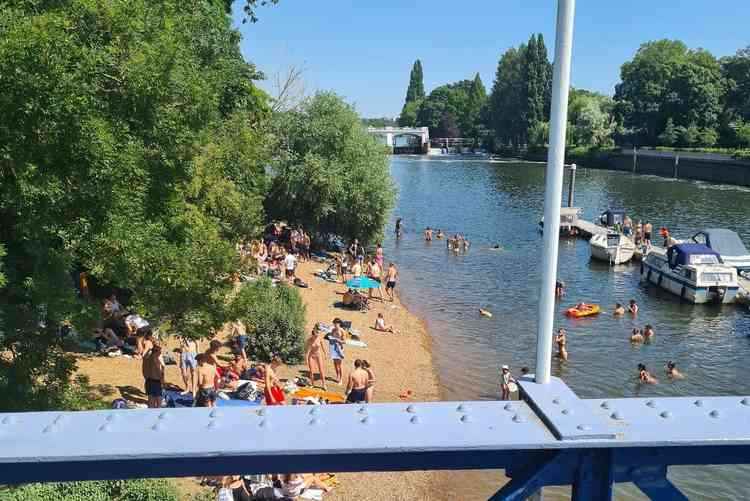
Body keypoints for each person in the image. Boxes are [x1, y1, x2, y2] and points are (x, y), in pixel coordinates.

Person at [305, 324, 328, 390]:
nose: (318, 333)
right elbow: (307, 351)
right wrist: (306, 359)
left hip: (318, 355)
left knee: (321, 370)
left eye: (318, 332)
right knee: (312, 371)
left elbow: (323, 347)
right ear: (313, 332)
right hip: (311, 356)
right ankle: (312, 384)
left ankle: (324, 384)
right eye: (316, 332)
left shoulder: (320, 338)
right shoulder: (310, 340)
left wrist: (325, 354)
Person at [142, 344, 165, 408]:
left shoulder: (146, 359)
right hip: (155, 381)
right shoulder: (155, 360)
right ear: (157, 351)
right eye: (160, 352)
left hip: (148, 381)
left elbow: (143, 371)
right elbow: (159, 372)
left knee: (150, 401)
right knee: (158, 404)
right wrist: (163, 381)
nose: (160, 354)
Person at [328, 319, 346, 384]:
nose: (334, 325)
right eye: (334, 324)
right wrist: (330, 338)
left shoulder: (342, 331)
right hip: (333, 347)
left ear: (339, 324)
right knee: (335, 363)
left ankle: (341, 379)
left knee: (339, 364)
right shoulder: (333, 330)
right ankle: (337, 376)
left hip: (339, 348)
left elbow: (344, 341)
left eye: (335, 324)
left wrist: (338, 340)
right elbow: (331, 337)